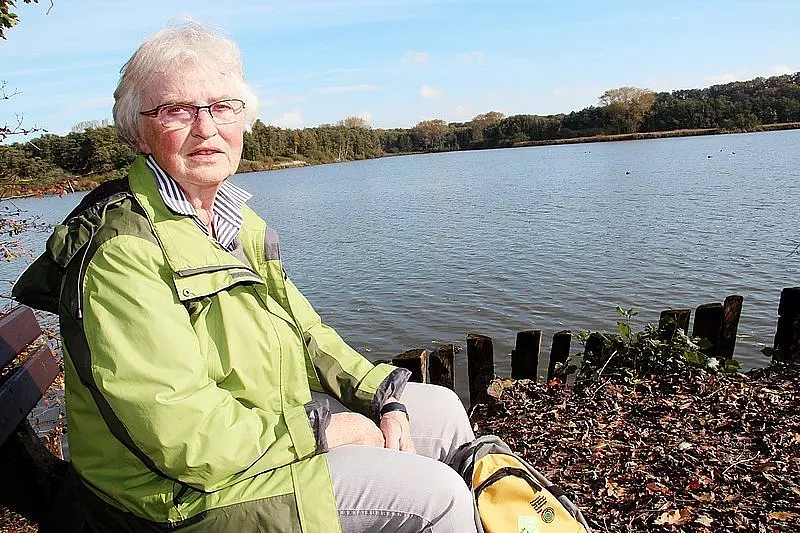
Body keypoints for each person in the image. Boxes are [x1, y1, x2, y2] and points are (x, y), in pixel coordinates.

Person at [13, 22, 478, 533]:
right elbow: (179, 431)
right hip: (176, 496)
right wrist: (325, 430)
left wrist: (380, 395)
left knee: (438, 410)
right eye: (176, 110)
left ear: (242, 120)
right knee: (435, 498)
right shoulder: (123, 253)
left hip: (254, 434)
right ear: (138, 133)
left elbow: (307, 335)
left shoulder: (235, 223)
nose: (205, 127)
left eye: (222, 107)